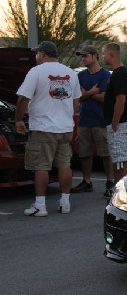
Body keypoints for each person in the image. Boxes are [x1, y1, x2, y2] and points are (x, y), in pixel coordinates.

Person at [15, 41, 82, 216]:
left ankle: (40, 205)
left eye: (37, 54)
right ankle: (65, 202)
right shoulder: (71, 73)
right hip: (65, 127)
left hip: (44, 128)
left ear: (43, 54)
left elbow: (23, 99)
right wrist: (66, 115)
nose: (36, 57)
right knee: (64, 164)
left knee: (41, 166)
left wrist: (18, 120)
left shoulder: (36, 72)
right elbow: (76, 102)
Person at [71, 45, 114, 197]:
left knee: (105, 153)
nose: (83, 59)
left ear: (95, 56)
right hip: (84, 121)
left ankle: (110, 181)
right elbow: (77, 97)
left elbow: (105, 98)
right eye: (82, 56)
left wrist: (87, 94)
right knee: (84, 153)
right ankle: (86, 181)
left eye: (86, 56)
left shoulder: (105, 75)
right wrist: (92, 92)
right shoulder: (80, 76)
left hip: (101, 121)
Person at [102, 42, 127, 185]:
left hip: (119, 123)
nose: (102, 56)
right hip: (118, 123)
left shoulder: (119, 75)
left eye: (103, 53)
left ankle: (124, 189)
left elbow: (120, 99)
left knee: (122, 157)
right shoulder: (118, 73)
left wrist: (115, 122)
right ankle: (117, 187)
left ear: (111, 55)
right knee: (117, 157)